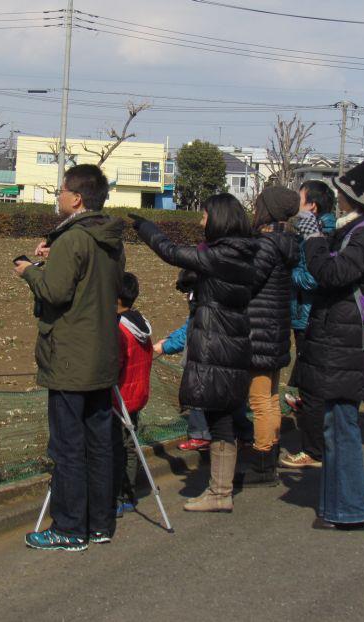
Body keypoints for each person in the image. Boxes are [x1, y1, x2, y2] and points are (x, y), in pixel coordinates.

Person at [16, 164, 125, 551]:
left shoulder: (73, 239)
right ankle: (100, 523)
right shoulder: (108, 238)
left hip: (69, 357)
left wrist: (30, 270)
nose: (57, 196)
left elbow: (57, 293)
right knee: (99, 441)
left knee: (67, 446)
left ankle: (69, 526)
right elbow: (92, 283)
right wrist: (52, 256)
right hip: (101, 354)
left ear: (76, 197)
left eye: (61, 190)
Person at [131, 193, 256, 513]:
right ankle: (223, 487)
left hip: (218, 343)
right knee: (224, 416)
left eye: (204, 215)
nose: (201, 221)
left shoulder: (222, 255)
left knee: (220, 418)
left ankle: (220, 491)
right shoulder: (242, 253)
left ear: (219, 219)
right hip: (233, 340)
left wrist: (146, 229)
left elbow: (172, 253)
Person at [291, 160, 364, 530]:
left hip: (345, 341)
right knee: (335, 425)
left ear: (352, 196)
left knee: (343, 427)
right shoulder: (357, 230)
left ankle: (348, 510)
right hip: (341, 339)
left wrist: (314, 236)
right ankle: (336, 508)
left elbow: (331, 274)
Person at [243, 187, 299, 485]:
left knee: (260, 400)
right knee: (272, 396)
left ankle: (263, 464)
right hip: (275, 328)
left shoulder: (265, 244)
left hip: (259, 330)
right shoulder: (286, 241)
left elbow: (248, 281)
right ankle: (271, 455)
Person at [282, 180, 336, 469]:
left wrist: (287, 272)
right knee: (307, 385)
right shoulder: (313, 232)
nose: (295, 204)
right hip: (304, 314)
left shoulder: (322, 234)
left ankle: (313, 450)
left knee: (311, 387)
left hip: (310, 315)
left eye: (300, 199)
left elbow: (314, 277)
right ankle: (315, 442)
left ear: (312, 205)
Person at [154, 270, 211, 452]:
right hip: (210, 359)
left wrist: (165, 347)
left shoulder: (202, 307)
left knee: (196, 394)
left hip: (200, 359)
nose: (186, 296)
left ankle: (200, 435)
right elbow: (188, 325)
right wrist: (167, 341)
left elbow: (189, 330)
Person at [114, 272, 153, 517]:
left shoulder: (119, 329)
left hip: (120, 398)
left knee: (117, 447)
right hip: (137, 395)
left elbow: (114, 364)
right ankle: (128, 494)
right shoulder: (141, 325)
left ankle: (118, 495)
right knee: (130, 445)